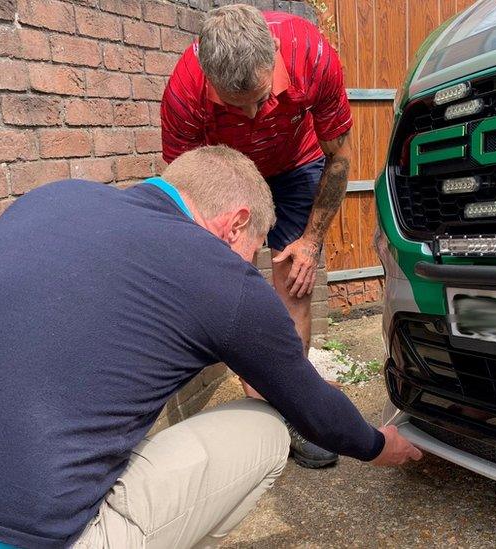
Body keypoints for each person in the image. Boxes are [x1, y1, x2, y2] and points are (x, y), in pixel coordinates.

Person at [0, 146, 421, 549]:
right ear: (234, 223)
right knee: (265, 429)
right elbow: (316, 411)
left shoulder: (52, 199)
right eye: (250, 251)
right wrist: (379, 444)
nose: (248, 266)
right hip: (21, 537)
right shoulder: (218, 274)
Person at [160, 5, 355, 467]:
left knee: (295, 280)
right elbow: (185, 188)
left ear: (273, 58)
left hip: (298, 161)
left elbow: (341, 157)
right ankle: (268, 413)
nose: (251, 113)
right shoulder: (184, 94)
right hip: (225, 171)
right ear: (209, 79)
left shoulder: (312, 53)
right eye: (234, 103)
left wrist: (310, 241)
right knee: (232, 291)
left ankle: (294, 408)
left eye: (261, 95)